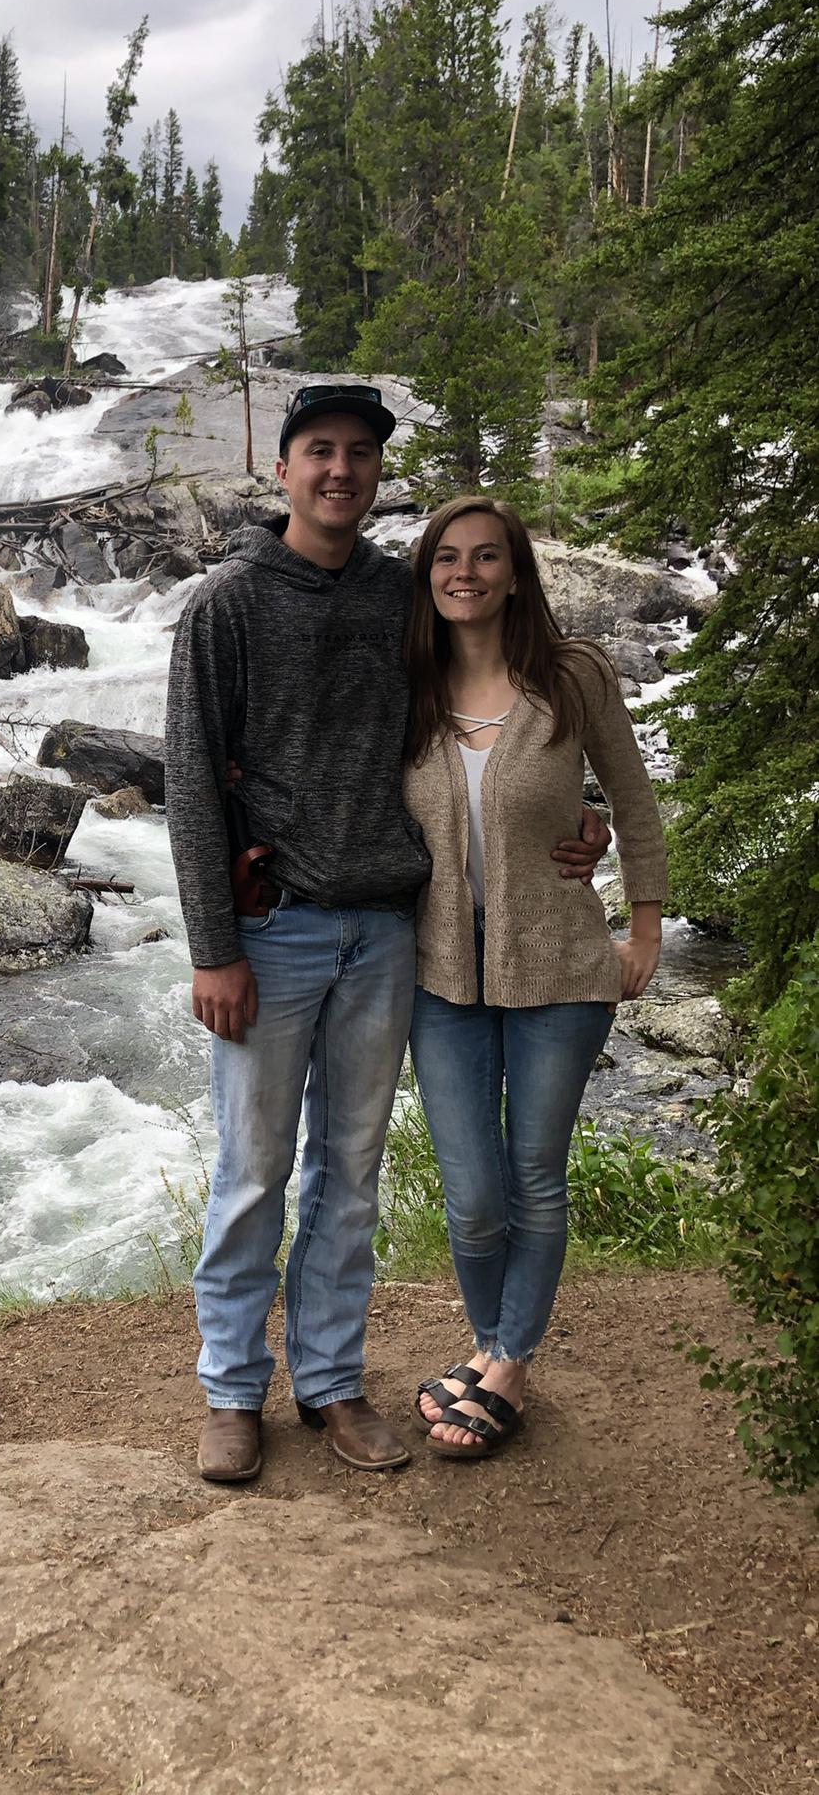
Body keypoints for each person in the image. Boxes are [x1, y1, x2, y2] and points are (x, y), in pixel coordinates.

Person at [164, 389, 608, 1484]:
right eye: (321, 451)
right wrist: (210, 946)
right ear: (283, 469)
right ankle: (231, 1389)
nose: (341, 470)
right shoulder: (225, 605)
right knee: (255, 1165)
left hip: (389, 928)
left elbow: (490, 714)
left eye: (361, 454)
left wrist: (576, 814)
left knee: (350, 1171)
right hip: (272, 934)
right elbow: (186, 782)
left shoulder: (397, 597)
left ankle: (329, 1381)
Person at [405, 497, 666, 1460]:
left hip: (559, 967)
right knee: (472, 1191)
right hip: (440, 976)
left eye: (485, 558)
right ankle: (488, 1345)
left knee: (534, 1178)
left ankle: (508, 1362)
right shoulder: (410, 681)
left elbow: (632, 805)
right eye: (446, 558)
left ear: (516, 572)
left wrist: (643, 932)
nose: (464, 573)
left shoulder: (574, 675)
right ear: (427, 574)